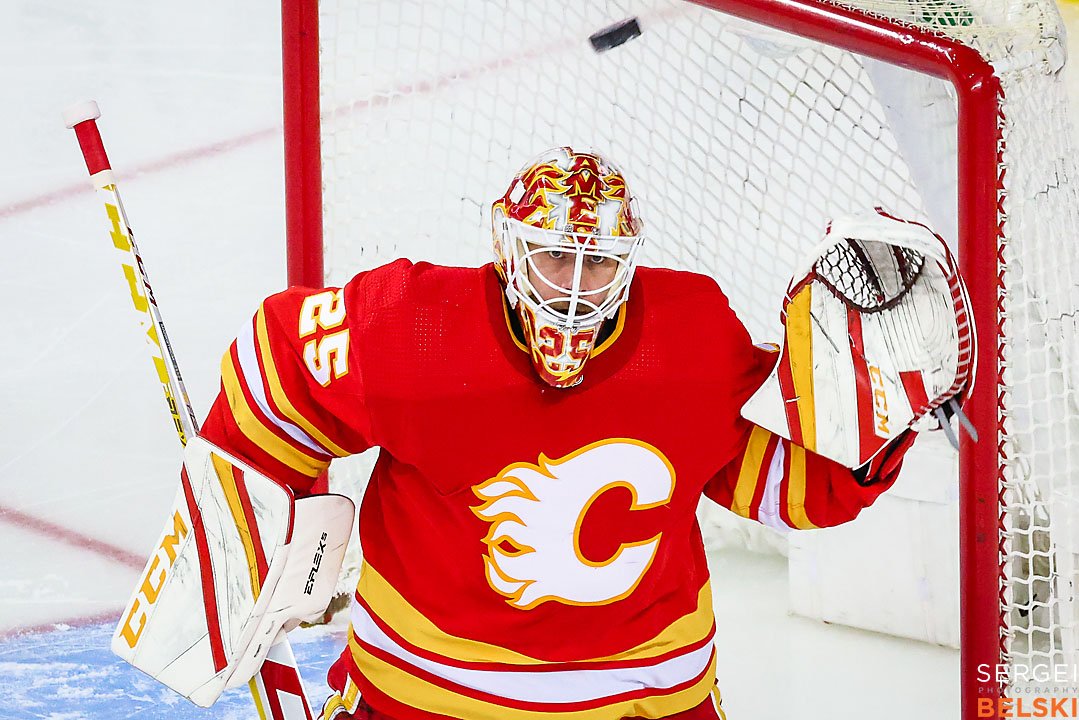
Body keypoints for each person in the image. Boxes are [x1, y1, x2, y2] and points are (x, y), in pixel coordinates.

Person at [197, 147, 917, 720]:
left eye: (597, 261)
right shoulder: (419, 329)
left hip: (643, 696)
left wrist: (878, 420)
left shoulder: (692, 340)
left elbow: (774, 481)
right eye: (554, 256)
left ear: (627, 263)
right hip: (431, 696)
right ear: (508, 249)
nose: (574, 285)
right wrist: (246, 516)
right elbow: (282, 364)